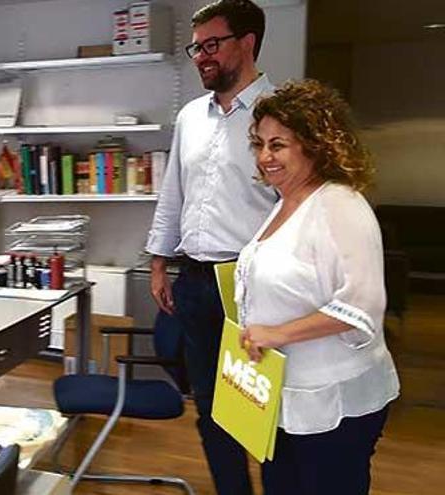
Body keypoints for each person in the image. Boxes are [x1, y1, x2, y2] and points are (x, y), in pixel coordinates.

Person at [238, 79, 399, 495]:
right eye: (259, 144)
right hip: (285, 396)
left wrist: (277, 333)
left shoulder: (339, 204)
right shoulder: (284, 202)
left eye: (278, 145)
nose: (265, 156)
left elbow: (361, 307)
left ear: (314, 144)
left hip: (335, 402)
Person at [145, 1, 277, 492]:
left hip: (258, 288)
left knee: (264, 412)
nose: (201, 56)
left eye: (211, 45)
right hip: (197, 282)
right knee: (212, 408)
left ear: (248, 42)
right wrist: (159, 263)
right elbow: (173, 195)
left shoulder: (279, 115)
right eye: (195, 47)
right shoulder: (189, 118)